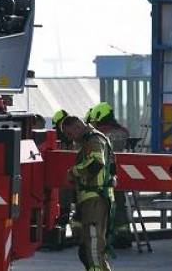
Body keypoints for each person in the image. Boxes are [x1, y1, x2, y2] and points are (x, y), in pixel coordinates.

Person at [63, 116, 115, 271]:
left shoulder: (94, 140)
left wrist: (74, 172)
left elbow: (96, 163)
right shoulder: (91, 141)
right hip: (92, 200)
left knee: (93, 247)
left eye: (69, 134)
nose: (69, 138)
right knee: (92, 248)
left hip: (95, 199)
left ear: (77, 127)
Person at [88, 102, 132, 248]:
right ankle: (123, 235)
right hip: (121, 177)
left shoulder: (97, 134)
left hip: (100, 178)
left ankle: (103, 235)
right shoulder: (123, 132)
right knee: (119, 205)